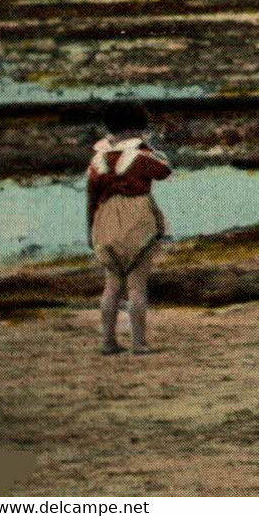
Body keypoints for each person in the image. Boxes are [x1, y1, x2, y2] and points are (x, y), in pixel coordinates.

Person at [87, 100, 172, 355]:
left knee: (111, 285)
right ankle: (139, 342)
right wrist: (149, 147)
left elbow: (91, 198)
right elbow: (164, 170)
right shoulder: (141, 156)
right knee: (136, 285)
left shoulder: (97, 160)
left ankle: (108, 341)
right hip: (137, 221)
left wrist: (91, 231)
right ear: (140, 127)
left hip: (105, 221)